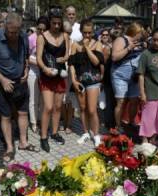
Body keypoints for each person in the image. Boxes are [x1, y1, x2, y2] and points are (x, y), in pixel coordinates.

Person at [0, 13, 35, 163]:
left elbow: (26, 55)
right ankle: (9, 147)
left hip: (21, 82)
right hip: (3, 83)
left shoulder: (23, 36)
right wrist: (2, 79)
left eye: (17, 32)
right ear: (5, 26)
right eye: (11, 32)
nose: (14, 35)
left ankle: (24, 142)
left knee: (23, 113)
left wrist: (26, 69)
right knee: (5, 116)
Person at [36, 6, 70, 152]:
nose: (57, 26)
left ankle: (54, 133)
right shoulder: (41, 37)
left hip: (60, 75)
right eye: (54, 23)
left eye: (59, 23)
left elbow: (68, 54)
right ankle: (44, 137)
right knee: (48, 107)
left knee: (57, 107)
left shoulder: (65, 36)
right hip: (47, 76)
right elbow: (38, 58)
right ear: (49, 21)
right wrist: (45, 69)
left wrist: (65, 58)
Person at [69, 19, 104, 147]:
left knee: (92, 109)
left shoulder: (97, 44)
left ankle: (96, 134)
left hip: (93, 81)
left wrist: (87, 48)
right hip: (80, 81)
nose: (87, 35)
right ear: (81, 32)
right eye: (85, 32)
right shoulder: (74, 45)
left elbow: (96, 62)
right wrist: (73, 80)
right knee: (82, 108)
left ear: (93, 32)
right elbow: (71, 64)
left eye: (90, 33)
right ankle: (85, 132)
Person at [138, 27, 158, 144]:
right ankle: (144, 140)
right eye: (154, 40)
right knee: (148, 118)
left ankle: (154, 139)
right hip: (150, 91)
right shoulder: (146, 54)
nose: (156, 43)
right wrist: (142, 93)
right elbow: (141, 75)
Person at [111, 21, 144, 132]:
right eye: (140, 33)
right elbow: (114, 57)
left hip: (134, 76)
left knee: (134, 100)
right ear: (135, 31)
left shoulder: (138, 42)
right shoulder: (121, 40)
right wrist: (129, 48)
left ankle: (131, 122)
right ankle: (118, 126)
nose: (141, 35)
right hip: (120, 75)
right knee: (121, 101)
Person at [28, 16, 48, 133]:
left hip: (45, 72)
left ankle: (41, 120)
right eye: (39, 29)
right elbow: (27, 56)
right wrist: (39, 63)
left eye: (43, 29)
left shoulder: (49, 38)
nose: (41, 32)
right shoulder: (31, 38)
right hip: (34, 71)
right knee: (34, 98)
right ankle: (34, 122)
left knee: (43, 99)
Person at [100, 28, 115, 129]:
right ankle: (108, 123)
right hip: (107, 77)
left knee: (112, 101)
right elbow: (103, 63)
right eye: (104, 35)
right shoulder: (107, 48)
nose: (105, 36)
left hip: (113, 77)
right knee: (108, 101)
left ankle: (110, 122)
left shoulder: (114, 47)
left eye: (107, 35)